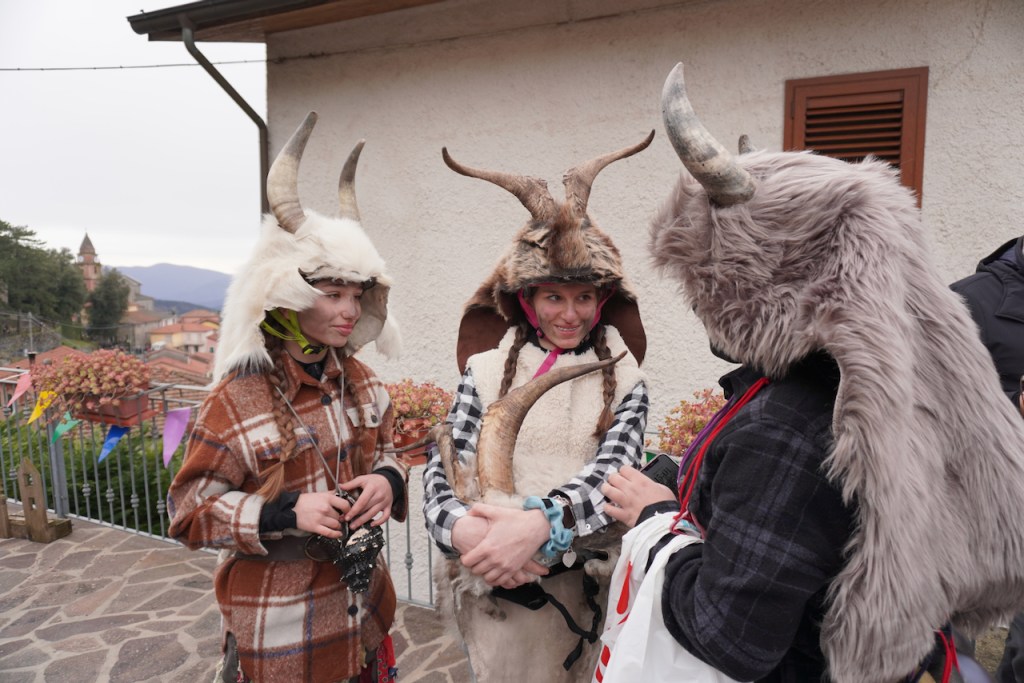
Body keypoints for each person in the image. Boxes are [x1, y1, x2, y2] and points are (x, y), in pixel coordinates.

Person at [594, 64, 1024, 683]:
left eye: (702, 285)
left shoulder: (788, 427)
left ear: (753, 282)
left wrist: (656, 522)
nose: (697, 307)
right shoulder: (898, 385)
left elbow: (730, 637)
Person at [167, 112, 406, 683]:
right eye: (332, 293)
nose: (349, 310)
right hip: (281, 634)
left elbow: (391, 452)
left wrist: (387, 481)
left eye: (356, 294)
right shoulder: (236, 399)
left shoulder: (364, 381)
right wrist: (285, 512)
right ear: (287, 297)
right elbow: (188, 512)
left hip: (364, 615)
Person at [422, 133, 653, 682]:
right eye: (553, 297)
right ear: (527, 301)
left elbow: (614, 473)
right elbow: (445, 467)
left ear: (602, 300)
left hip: (580, 590)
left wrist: (542, 525)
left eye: (583, 297)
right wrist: (465, 534)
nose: (569, 314)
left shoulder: (626, 379)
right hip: (494, 589)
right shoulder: (483, 371)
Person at [951, 234, 1024, 683]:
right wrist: (1014, 409)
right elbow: (925, 410)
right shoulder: (968, 303)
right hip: (978, 517)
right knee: (951, 646)